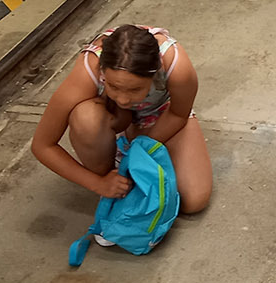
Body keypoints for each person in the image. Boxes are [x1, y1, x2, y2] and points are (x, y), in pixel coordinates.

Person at [31, 24, 212, 218]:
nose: (124, 99)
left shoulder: (175, 65)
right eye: (114, 86)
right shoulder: (88, 69)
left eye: (135, 89)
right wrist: (98, 183)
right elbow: (43, 145)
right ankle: (110, 175)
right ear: (103, 71)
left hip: (162, 114)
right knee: (86, 118)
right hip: (111, 115)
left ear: (155, 73)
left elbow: (178, 114)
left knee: (194, 200)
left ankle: (126, 158)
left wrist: (137, 152)